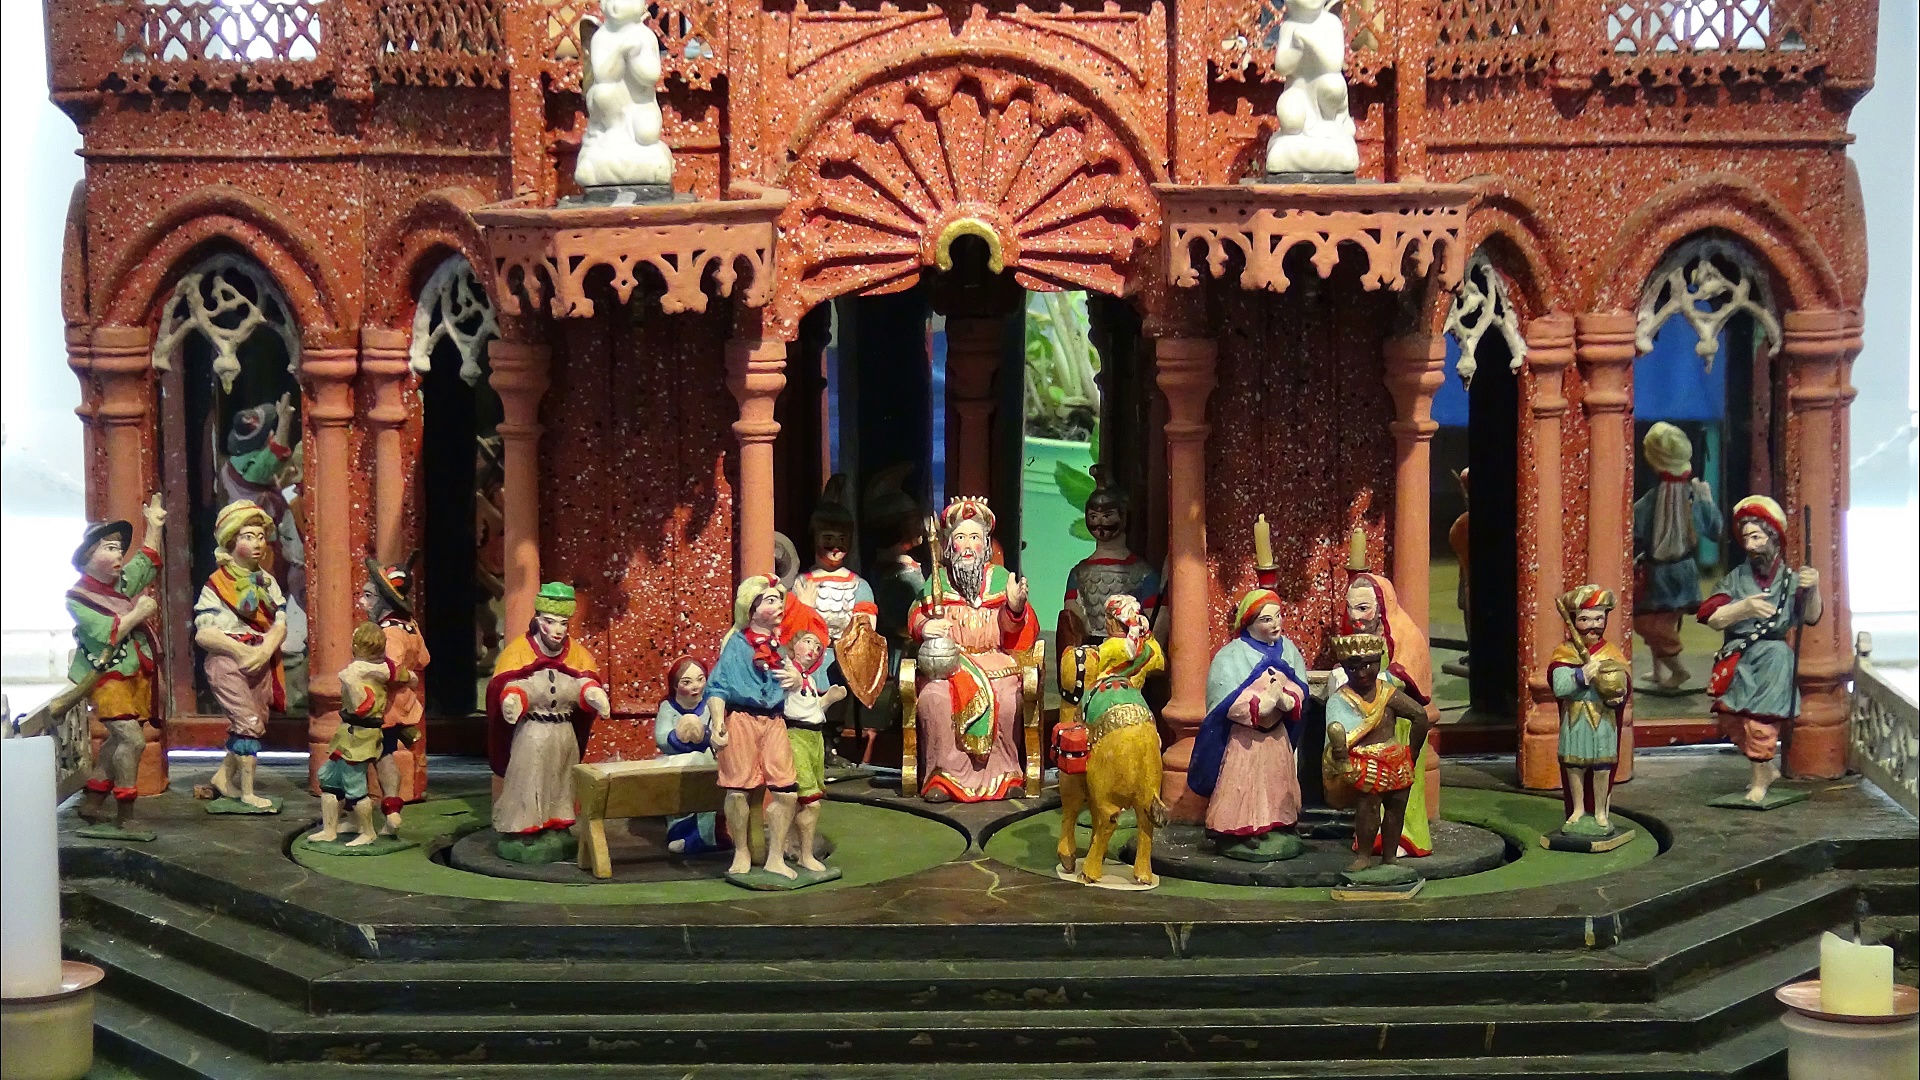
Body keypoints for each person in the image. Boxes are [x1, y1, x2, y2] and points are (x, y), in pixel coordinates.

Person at [907, 497, 1038, 803]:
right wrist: (926, 627)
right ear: (949, 545)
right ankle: (943, 777)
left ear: (986, 545)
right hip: (950, 665)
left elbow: (1017, 632)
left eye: (975, 538)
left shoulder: (1001, 579)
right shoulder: (938, 582)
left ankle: (1006, 775)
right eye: (961, 537)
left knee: (1008, 698)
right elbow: (915, 616)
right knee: (935, 699)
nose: (967, 546)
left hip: (996, 663)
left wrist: (1015, 609)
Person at [1699, 496, 1821, 804]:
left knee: (1760, 724)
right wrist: (1743, 608)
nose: (1751, 545)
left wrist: (1813, 588)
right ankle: (1765, 770)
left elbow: (1810, 617)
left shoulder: (1791, 580)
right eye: (1746, 539)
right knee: (1731, 720)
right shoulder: (1736, 579)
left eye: (1757, 537)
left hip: (1773, 659)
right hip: (1740, 657)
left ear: (1773, 536)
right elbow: (1711, 617)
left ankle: (1758, 783)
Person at [486, 583, 610, 862]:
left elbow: (582, 682)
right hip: (533, 731)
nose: (557, 630)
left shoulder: (576, 654)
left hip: (564, 730)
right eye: (551, 622)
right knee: (529, 779)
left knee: (562, 780)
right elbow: (509, 684)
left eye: (563, 624)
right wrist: (513, 699)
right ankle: (523, 829)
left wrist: (592, 694)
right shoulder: (519, 652)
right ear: (538, 619)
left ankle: (557, 824)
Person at [69, 497, 168, 834]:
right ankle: (126, 815)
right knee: (133, 741)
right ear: (88, 555)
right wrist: (137, 613)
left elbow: (146, 562)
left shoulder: (120, 584)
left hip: (131, 673)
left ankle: (93, 802)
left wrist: (154, 526)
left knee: (116, 741)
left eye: (119, 549)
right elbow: (105, 634)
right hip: (107, 678)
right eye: (110, 548)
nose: (118, 556)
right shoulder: (78, 598)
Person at [1187, 589, 1308, 860]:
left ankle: (1276, 825)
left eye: (1278, 616)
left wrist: (1286, 700)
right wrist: (1261, 704)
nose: (1275, 624)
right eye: (1266, 619)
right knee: (1244, 786)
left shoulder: (1289, 650)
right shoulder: (1231, 656)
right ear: (1249, 622)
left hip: (1276, 736)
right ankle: (1240, 832)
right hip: (1246, 740)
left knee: (1276, 782)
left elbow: (1300, 687)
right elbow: (1224, 699)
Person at [1325, 570, 1436, 856]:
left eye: (1363, 607)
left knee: (1401, 795)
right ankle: (1369, 841)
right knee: (1369, 794)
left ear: (1382, 605)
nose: (1355, 616)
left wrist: (1382, 680)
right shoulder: (1357, 637)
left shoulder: (1404, 635)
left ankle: (1404, 839)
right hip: (1368, 729)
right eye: (1350, 608)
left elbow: (1407, 674)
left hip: (1398, 726)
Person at [706, 576, 804, 879]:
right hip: (742, 720)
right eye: (770, 600)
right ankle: (741, 851)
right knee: (738, 791)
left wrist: (796, 680)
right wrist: (718, 724)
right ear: (751, 607)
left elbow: (795, 678)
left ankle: (775, 857)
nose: (778, 606)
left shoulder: (778, 647)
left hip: (773, 721)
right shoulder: (736, 646)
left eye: (779, 599)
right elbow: (717, 687)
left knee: (786, 792)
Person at [193, 500, 288, 811]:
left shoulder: (268, 582)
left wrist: (264, 650)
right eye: (248, 536)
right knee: (249, 722)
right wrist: (242, 650)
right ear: (232, 540)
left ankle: (223, 778)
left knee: (256, 722)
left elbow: (280, 623)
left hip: (260, 660)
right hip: (228, 661)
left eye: (260, 536)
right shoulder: (217, 584)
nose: (257, 543)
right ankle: (248, 793)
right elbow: (205, 633)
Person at [1325, 634, 1432, 875]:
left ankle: (1390, 857)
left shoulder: (1387, 693)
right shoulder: (1340, 700)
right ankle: (1364, 856)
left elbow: (1419, 716)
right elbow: (1335, 739)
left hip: (1396, 761)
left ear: (1378, 662)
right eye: (1353, 668)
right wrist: (1343, 759)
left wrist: (1412, 753)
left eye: (1368, 665)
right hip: (1365, 764)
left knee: (1396, 809)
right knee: (1368, 810)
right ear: (1345, 668)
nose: (1362, 673)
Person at [1632, 423, 1723, 689]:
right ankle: (1658, 670)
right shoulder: (1656, 500)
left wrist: (1706, 499)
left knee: (1651, 623)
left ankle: (1678, 670)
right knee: (1662, 619)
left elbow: (1715, 530)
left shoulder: (1680, 498)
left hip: (1671, 572)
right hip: (1661, 570)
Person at [311, 623, 405, 847]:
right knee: (329, 779)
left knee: (354, 785)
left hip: (361, 737)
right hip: (347, 735)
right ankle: (330, 829)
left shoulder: (359, 674)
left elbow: (363, 705)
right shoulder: (373, 669)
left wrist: (351, 681)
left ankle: (367, 831)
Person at [1548, 586, 1631, 831]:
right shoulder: (1564, 653)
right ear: (1574, 621)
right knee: (1575, 766)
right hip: (1575, 718)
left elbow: (1623, 685)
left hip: (1603, 719)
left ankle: (1600, 812)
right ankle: (1577, 809)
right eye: (1584, 619)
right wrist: (1581, 675)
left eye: (1598, 619)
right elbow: (1560, 687)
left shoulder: (1611, 653)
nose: (1592, 625)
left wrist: (1616, 695)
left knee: (1602, 767)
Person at [360, 558, 430, 833]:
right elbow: (423, 658)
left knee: (364, 755)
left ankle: (367, 812)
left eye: (369, 596)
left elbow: (390, 670)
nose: (363, 603)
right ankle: (390, 808)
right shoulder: (410, 626)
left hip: (383, 706)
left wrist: (362, 670)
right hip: (402, 704)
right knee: (383, 754)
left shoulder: (389, 632)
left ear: (385, 600)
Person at [1058, 469, 1161, 654]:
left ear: (1124, 516)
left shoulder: (1143, 574)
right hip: (1090, 656)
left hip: (1128, 656)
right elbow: (1072, 621)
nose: (1100, 522)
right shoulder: (1079, 574)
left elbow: (1156, 622)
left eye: (1107, 516)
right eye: (1093, 516)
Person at [779, 606, 845, 875]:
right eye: (808, 642)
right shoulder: (788, 671)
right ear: (794, 645)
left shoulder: (807, 679)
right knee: (809, 801)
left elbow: (811, 710)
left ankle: (792, 846)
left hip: (814, 738)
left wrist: (827, 699)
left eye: (818, 648)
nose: (813, 650)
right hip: (796, 736)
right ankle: (804, 854)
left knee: (806, 798)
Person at [654, 656, 726, 855]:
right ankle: (679, 832)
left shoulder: (711, 704)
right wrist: (678, 737)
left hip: (705, 759)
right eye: (686, 682)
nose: (695, 686)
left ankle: (704, 837)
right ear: (675, 685)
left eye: (700, 679)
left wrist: (706, 736)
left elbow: (718, 731)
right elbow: (661, 737)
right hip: (676, 759)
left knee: (708, 777)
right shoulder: (668, 707)